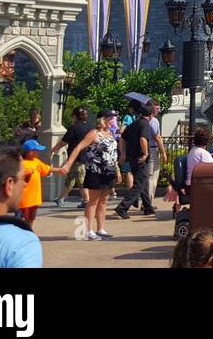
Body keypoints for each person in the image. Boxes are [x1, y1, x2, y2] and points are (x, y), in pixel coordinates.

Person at [60, 110, 120, 241]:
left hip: (108, 171)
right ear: (103, 119)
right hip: (95, 170)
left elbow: (113, 154)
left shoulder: (110, 134)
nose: (113, 121)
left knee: (104, 201)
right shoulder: (94, 133)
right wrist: (68, 164)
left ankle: (101, 228)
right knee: (93, 201)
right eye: (111, 118)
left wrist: (117, 170)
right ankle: (89, 230)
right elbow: (78, 148)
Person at [115, 102, 157, 218]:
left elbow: (122, 138)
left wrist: (123, 154)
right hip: (140, 159)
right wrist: (145, 153)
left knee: (142, 182)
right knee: (139, 184)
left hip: (132, 157)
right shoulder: (146, 125)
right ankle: (122, 207)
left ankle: (147, 207)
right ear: (151, 115)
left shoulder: (134, 124)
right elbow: (143, 139)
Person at [17, 140, 62, 230]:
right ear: (29, 152)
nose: (38, 152)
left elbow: (47, 169)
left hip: (34, 199)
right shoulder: (21, 163)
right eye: (36, 150)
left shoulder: (36, 161)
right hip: (24, 200)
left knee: (31, 219)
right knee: (24, 220)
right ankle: (26, 234)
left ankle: (29, 233)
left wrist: (60, 170)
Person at [51, 106, 90, 207]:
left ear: (76, 117)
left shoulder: (74, 128)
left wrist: (52, 150)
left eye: (73, 116)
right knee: (70, 179)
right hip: (85, 156)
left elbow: (63, 142)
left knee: (81, 180)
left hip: (76, 157)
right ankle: (61, 198)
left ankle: (87, 200)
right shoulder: (89, 127)